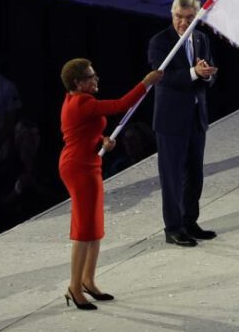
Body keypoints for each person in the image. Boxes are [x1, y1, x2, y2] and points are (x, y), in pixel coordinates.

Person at [58, 58, 162, 309]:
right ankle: (74, 287)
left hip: (88, 163)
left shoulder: (78, 100)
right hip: (78, 168)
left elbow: (85, 131)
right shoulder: (82, 102)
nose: (96, 79)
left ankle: (88, 281)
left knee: (94, 227)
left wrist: (102, 140)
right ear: (78, 82)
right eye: (91, 76)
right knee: (83, 231)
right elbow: (121, 105)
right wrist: (145, 84)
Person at [148, 0, 218, 247]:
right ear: (172, 15)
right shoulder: (160, 42)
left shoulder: (201, 39)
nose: (183, 22)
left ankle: (190, 221)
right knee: (172, 177)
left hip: (196, 119)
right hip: (171, 122)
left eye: (189, 18)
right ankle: (173, 228)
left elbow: (209, 72)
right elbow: (163, 77)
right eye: (179, 17)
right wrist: (193, 73)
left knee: (194, 174)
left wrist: (208, 75)